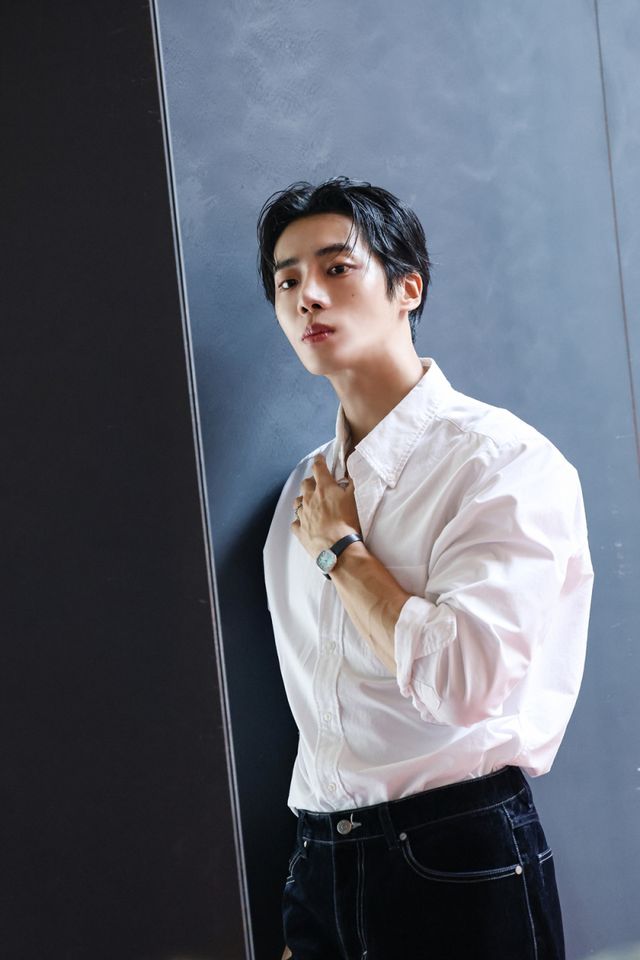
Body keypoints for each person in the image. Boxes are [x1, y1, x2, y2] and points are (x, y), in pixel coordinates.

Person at [259, 177, 594, 959]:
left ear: (407, 288)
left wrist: (343, 554)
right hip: (318, 861)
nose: (308, 296)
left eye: (336, 268)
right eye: (287, 280)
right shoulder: (304, 492)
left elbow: (465, 684)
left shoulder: (501, 463)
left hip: (455, 856)